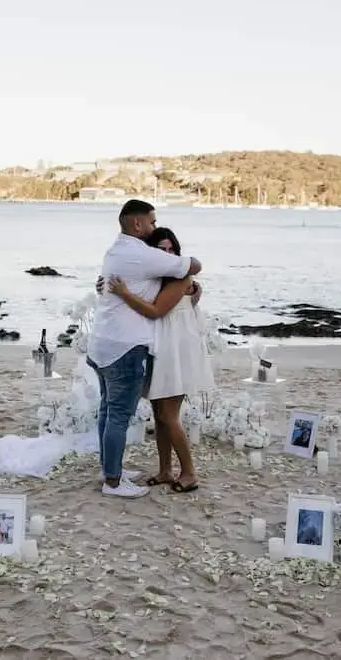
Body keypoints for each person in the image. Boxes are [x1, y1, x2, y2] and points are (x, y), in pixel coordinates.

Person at [87, 199, 202, 498]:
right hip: (131, 349)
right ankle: (115, 478)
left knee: (151, 415)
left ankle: (179, 471)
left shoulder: (120, 253)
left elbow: (158, 308)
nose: (163, 254)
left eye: (169, 250)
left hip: (164, 354)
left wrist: (121, 292)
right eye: (151, 222)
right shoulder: (143, 259)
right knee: (121, 414)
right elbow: (189, 268)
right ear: (138, 224)